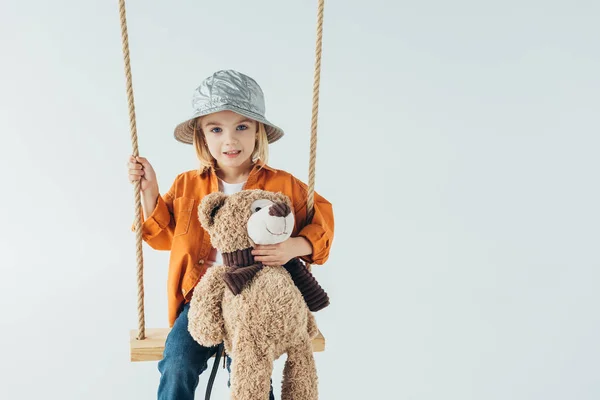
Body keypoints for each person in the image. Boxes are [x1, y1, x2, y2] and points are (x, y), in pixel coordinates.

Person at [127, 70, 334, 400]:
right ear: (202, 136)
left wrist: (294, 246)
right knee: (177, 361)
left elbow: (321, 223)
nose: (230, 140)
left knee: (251, 373)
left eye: (241, 126)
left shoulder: (283, 185)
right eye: (216, 128)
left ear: (258, 132)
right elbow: (162, 237)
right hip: (200, 300)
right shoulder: (186, 185)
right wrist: (149, 190)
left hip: (257, 303)